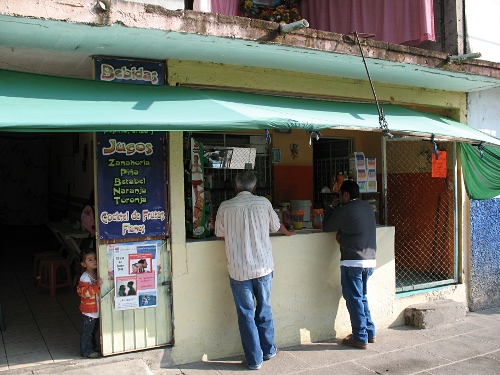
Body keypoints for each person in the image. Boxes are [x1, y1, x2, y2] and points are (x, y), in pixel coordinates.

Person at [215, 170, 295, 370]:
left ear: (235, 187)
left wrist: (237, 236)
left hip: (239, 270)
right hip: (263, 268)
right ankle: (268, 350)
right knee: (264, 309)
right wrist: (287, 232)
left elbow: (220, 234)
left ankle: (254, 360)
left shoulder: (225, 206)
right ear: (255, 188)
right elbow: (276, 226)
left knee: (246, 314)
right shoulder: (264, 203)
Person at [322, 180, 377, 349]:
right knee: (361, 297)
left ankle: (359, 336)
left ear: (345, 194)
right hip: (370, 260)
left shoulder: (345, 210)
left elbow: (327, 226)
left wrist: (332, 207)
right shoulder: (367, 207)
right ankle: (369, 332)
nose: (339, 198)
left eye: (340, 195)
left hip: (353, 261)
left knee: (353, 298)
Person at [77, 248, 103, 358]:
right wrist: (96, 285)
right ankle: (86, 351)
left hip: (96, 310)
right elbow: (84, 293)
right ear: (84, 264)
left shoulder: (97, 273)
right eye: (90, 260)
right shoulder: (84, 277)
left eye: (95, 258)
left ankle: (92, 346)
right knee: (87, 332)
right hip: (89, 311)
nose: (94, 261)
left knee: (93, 331)